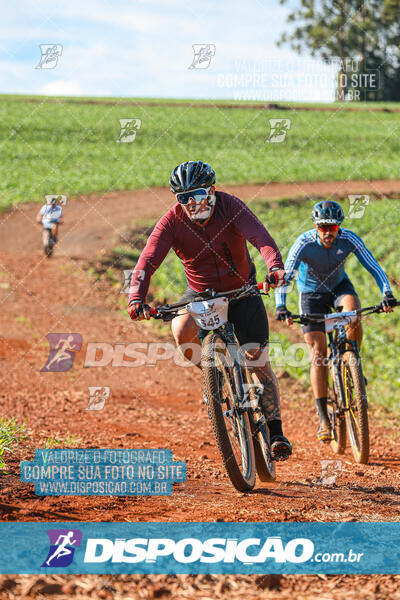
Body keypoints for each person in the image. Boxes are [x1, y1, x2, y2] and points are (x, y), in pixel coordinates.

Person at [128, 160, 292, 460]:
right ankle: (213, 376)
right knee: (180, 328)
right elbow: (147, 260)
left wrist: (275, 268)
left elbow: (262, 240)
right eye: (183, 197)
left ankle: (276, 431)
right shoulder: (172, 221)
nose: (192, 203)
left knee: (257, 360)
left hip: (242, 289)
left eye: (199, 193)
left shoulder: (231, 207)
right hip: (201, 292)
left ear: (212, 190)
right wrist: (136, 297)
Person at [275, 200, 397, 441]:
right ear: (315, 226)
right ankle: (322, 418)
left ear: (339, 227)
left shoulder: (349, 239)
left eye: (333, 227)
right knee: (318, 354)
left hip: (340, 287)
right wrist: (281, 305)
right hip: (311, 294)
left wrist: (387, 294)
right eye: (323, 227)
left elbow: (373, 266)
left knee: (354, 312)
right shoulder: (304, 243)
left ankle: (354, 361)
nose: (328, 232)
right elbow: (286, 274)